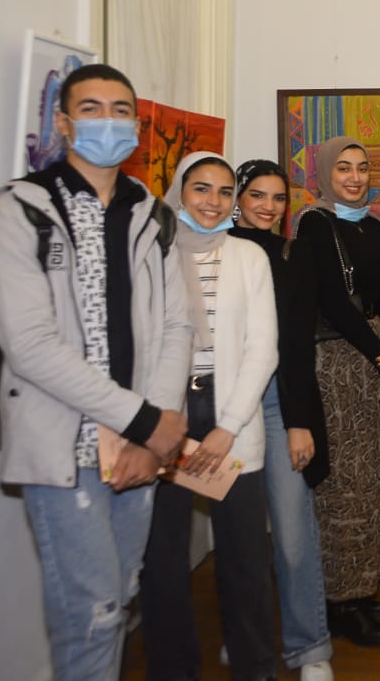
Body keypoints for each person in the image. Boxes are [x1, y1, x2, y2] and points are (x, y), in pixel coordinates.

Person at [0, 64, 192, 681]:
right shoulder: (22, 209)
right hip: (65, 443)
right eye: (92, 108)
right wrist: (148, 421)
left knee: (120, 596)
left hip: (139, 447)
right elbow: (30, 346)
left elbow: (176, 326)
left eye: (121, 110)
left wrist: (153, 433)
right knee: (92, 613)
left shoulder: (152, 213)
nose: (108, 121)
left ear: (137, 124)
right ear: (64, 122)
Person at [139, 152, 279, 681]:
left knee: (244, 560)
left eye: (224, 191)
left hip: (230, 417)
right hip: (166, 420)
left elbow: (262, 350)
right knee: (164, 562)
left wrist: (227, 429)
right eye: (201, 188)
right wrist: (159, 423)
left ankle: (255, 667)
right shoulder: (151, 254)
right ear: (179, 190)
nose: (213, 201)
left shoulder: (249, 256)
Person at [291, 136, 380, 647]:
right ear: (324, 173)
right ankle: (340, 599)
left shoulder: (372, 225)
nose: (355, 177)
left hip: (375, 359)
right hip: (338, 364)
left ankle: (361, 584)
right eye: (344, 168)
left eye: (362, 168)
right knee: (342, 484)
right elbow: (334, 303)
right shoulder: (314, 224)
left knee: (371, 476)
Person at [230, 159, 334, 681]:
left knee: (293, 533)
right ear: (238, 198)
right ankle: (244, 639)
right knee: (239, 538)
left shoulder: (294, 255)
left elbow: (296, 346)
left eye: (277, 198)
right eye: (258, 196)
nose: (269, 207)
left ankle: (310, 647)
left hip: (278, 401)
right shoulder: (212, 249)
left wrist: (298, 421)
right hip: (221, 407)